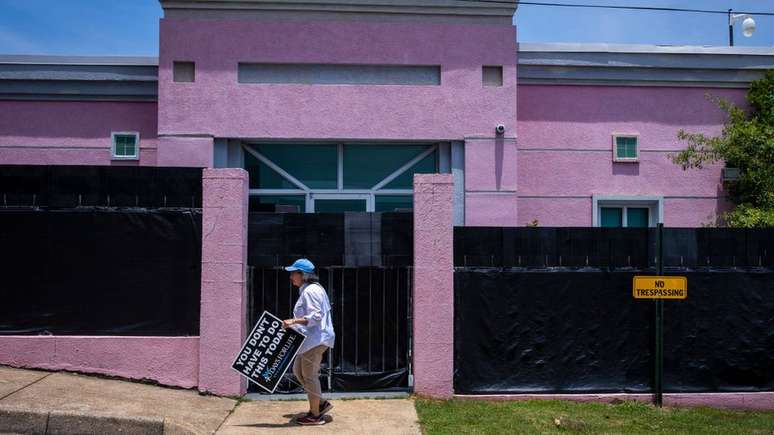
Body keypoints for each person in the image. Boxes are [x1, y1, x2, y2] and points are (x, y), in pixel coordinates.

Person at [282, 258, 335, 426]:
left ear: (303, 275)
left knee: (309, 376)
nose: (291, 277)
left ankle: (315, 415)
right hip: (311, 340)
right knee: (298, 371)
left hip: (316, 340)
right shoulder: (308, 289)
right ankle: (320, 403)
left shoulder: (311, 291)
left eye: (293, 273)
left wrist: (294, 321)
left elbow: (316, 316)